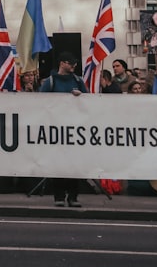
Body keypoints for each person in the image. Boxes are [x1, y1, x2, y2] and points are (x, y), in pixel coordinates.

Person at [39, 52, 87, 207]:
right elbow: (40, 103)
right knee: (58, 165)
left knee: (74, 165)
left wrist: (81, 97)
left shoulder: (78, 81)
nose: (74, 65)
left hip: (75, 130)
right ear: (61, 63)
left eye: (74, 63)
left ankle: (73, 197)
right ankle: (59, 197)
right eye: (70, 62)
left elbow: (89, 102)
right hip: (56, 129)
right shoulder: (50, 82)